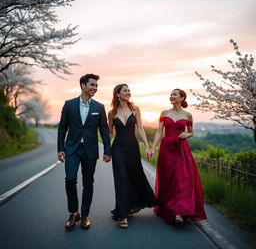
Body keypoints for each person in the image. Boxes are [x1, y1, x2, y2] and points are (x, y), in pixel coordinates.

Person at [57, 74, 112, 231]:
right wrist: (60, 148)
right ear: (83, 85)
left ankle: (85, 214)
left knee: (88, 183)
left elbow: (103, 130)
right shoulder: (69, 104)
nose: (95, 88)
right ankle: (74, 213)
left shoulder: (99, 107)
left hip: (90, 150)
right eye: (92, 85)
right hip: (72, 149)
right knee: (70, 179)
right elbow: (62, 127)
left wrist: (107, 150)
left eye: (96, 86)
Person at [151, 88, 206, 224]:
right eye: (171, 94)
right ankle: (168, 207)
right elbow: (159, 131)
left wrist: (186, 134)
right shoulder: (165, 113)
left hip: (181, 149)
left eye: (175, 94)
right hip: (166, 149)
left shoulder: (188, 115)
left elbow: (191, 132)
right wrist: (153, 147)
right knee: (169, 180)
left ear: (182, 98)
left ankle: (179, 212)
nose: (171, 96)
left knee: (182, 179)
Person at [108, 84, 157, 228]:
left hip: (132, 148)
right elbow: (111, 133)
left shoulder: (135, 109)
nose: (128, 93)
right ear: (117, 94)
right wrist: (107, 149)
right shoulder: (111, 113)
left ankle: (129, 205)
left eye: (129, 90)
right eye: (125, 91)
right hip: (118, 148)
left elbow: (140, 128)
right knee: (121, 179)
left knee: (134, 176)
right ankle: (122, 215)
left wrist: (147, 146)